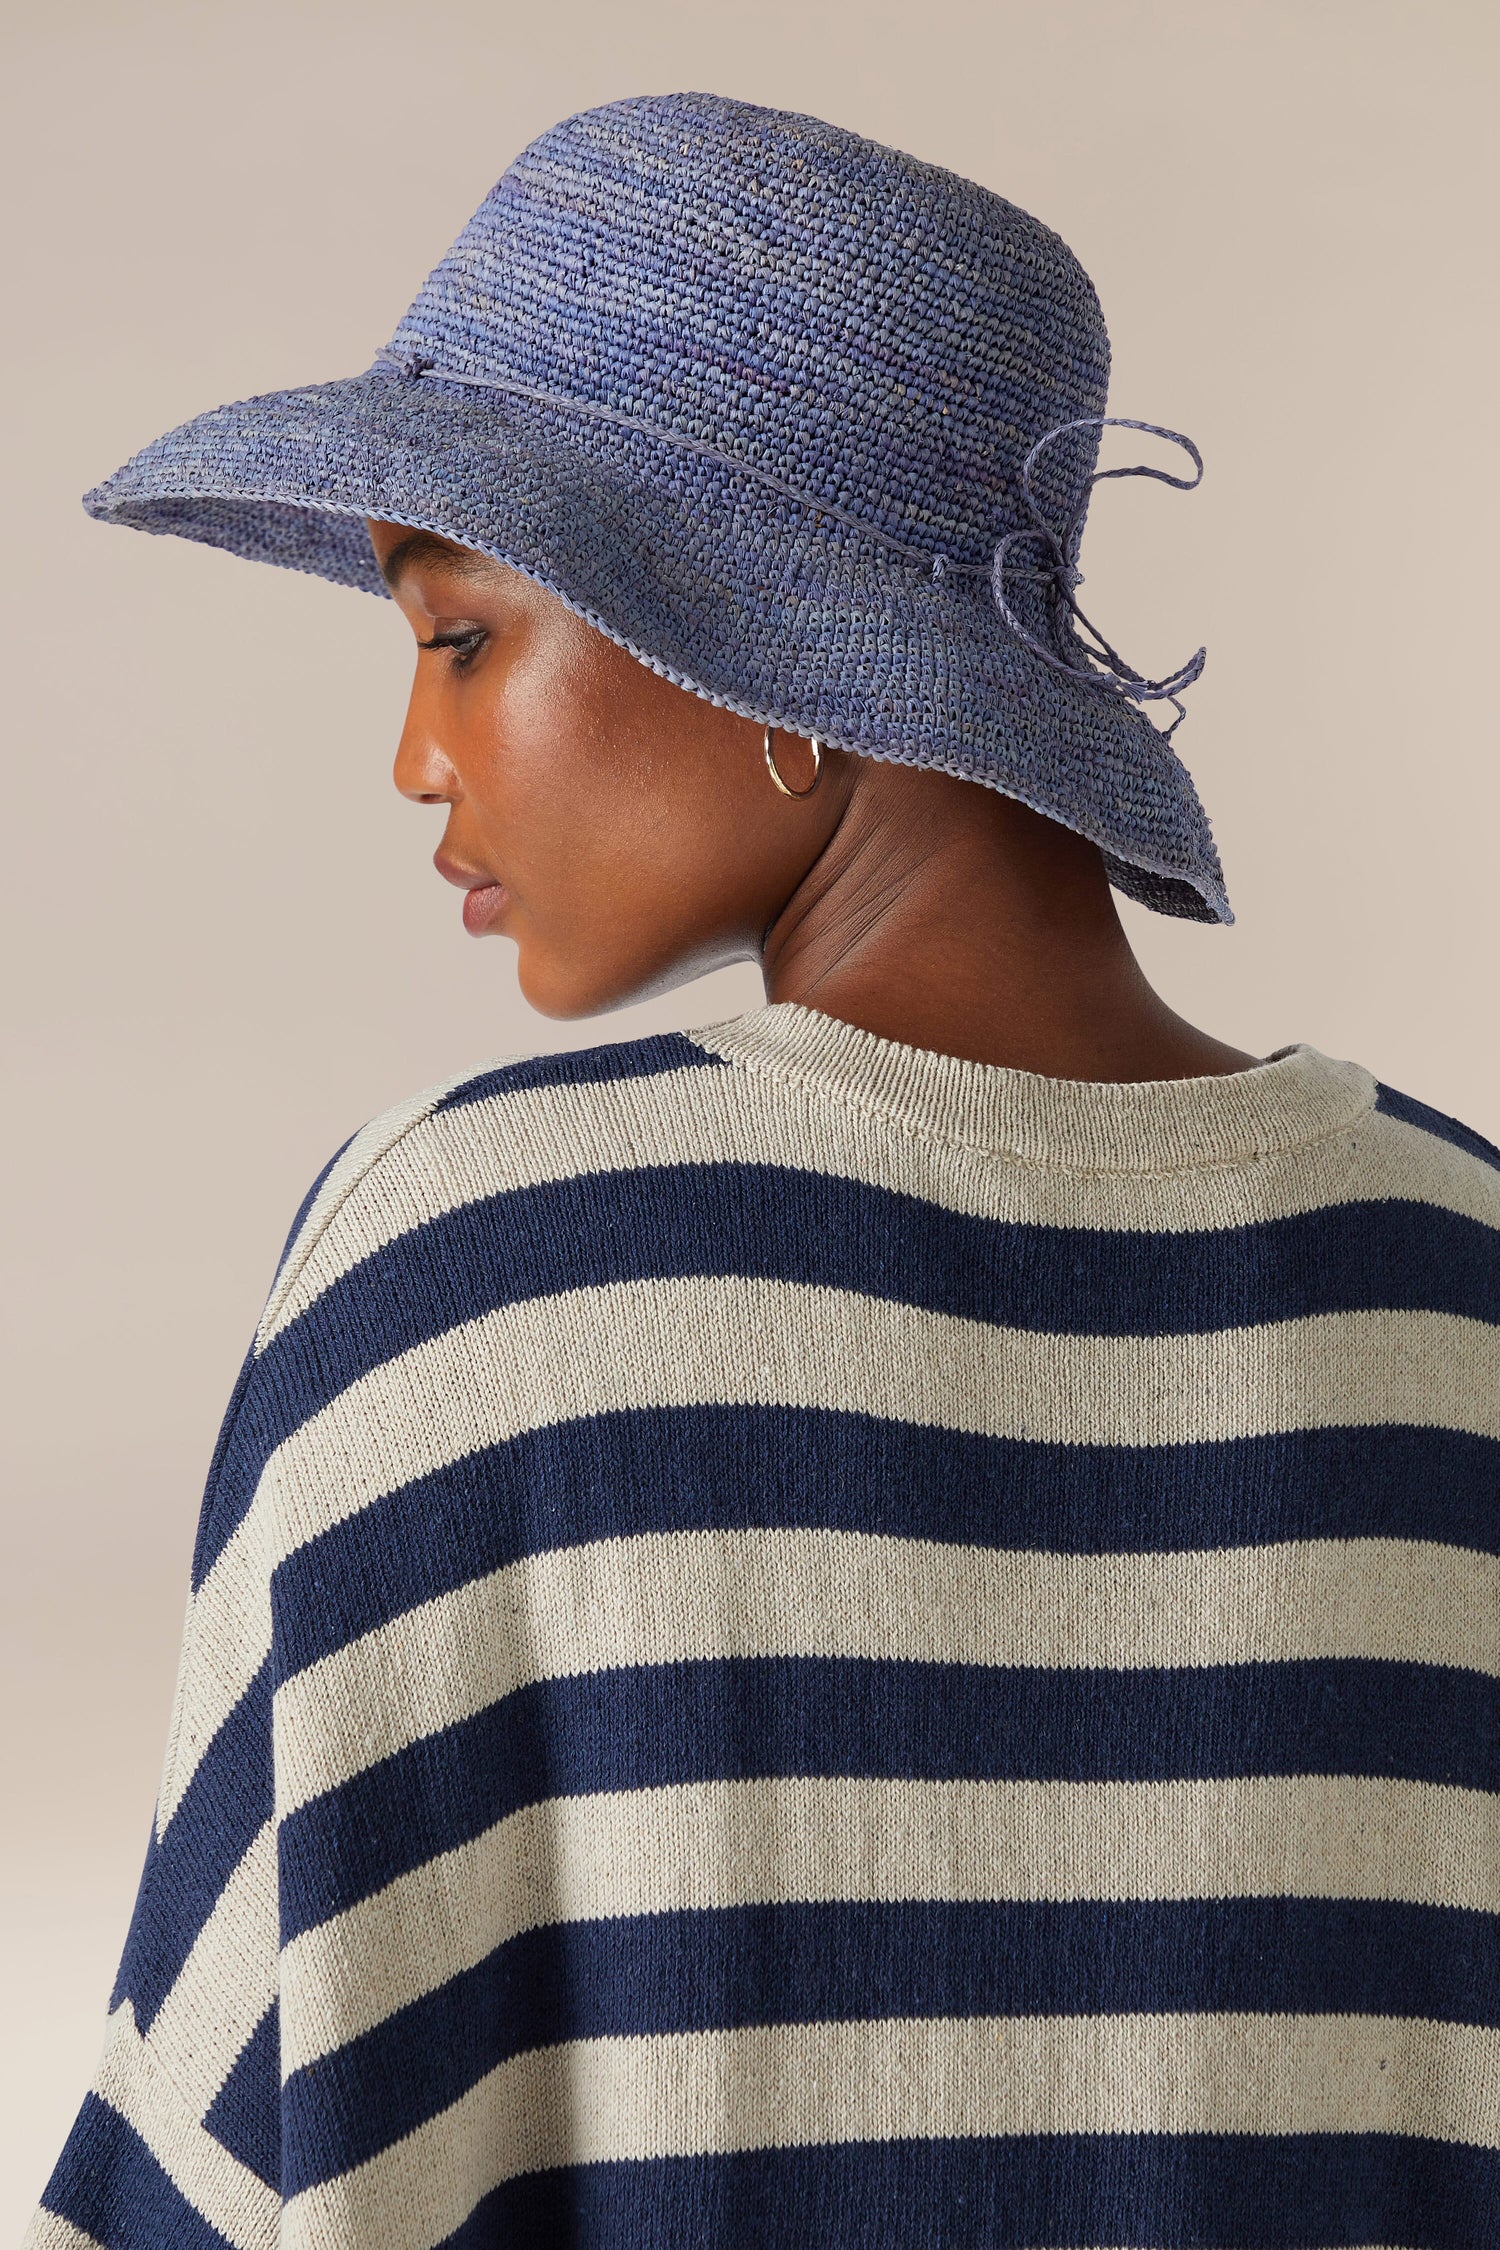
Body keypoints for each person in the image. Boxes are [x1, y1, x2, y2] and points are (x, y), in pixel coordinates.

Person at [24, 89, 1499, 2250]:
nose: (417, 757)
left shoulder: (476, 1266)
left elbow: (239, 2171)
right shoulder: (1463, 1291)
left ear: (774, 657)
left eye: (459, 636)